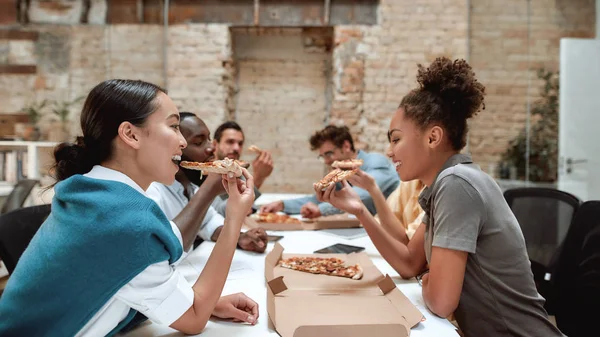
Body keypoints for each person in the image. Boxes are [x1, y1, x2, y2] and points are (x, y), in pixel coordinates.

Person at [313, 58, 564, 337]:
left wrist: (430, 281)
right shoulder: (446, 185)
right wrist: (360, 210)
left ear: (432, 138)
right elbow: (409, 263)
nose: (389, 151)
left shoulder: (456, 184)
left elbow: (441, 302)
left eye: (396, 139)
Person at [0, 79, 259, 336]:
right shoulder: (128, 222)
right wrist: (235, 216)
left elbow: (131, 281)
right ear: (131, 134)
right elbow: (194, 321)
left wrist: (199, 301)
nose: (182, 141)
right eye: (174, 126)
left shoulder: (93, 193)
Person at [147, 112, 268, 253]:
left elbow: (209, 222)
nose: (211, 148)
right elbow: (170, 245)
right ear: (174, 149)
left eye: (209, 140)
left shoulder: (190, 186)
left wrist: (241, 238)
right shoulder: (151, 190)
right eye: (198, 142)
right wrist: (209, 189)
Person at [260, 125, 399, 218]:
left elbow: (361, 196)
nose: (326, 161)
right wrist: (282, 205)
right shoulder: (341, 173)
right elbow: (317, 199)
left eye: (329, 154)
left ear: (346, 146)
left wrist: (321, 210)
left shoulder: (376, 162)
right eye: (323, 156)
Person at [211, 121, 273, 215]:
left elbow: (249, 206)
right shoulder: (206, 173)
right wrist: (258, 179)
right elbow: (217, 213)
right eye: (230, 142)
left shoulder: (237, 172)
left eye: (240, 143)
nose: (236, 148)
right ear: (215, 145)